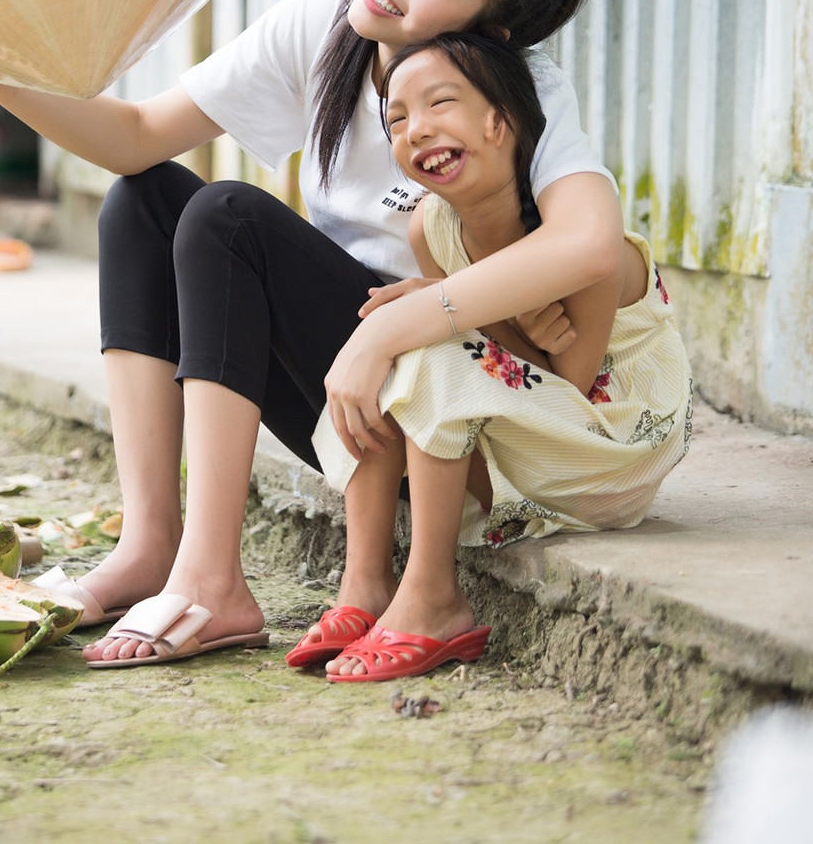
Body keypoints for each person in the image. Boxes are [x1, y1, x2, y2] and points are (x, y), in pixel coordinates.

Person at [0, 0, 624, 669]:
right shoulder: (328, 24)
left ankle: (213, 583)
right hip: (346, 403)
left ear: (486, 32)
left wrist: (393, 328)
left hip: (444, 430)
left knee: (228, 217)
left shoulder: (523, 95)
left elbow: (590, 243)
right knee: (143, 200)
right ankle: (152, 543)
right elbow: (138, 133)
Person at [294, 34, 692, 682]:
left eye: (438, 104)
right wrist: (440, 302)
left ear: (499, 119)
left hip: (604, 449)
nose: (416, 130)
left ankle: (433, 599)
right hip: (519, 453)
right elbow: (483, 349)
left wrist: (451, 308)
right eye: (397, 119)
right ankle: (364, 583)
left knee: (422, 342)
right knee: (402, 337)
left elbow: (568, 384)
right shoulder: (431, 225)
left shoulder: (583, 248)